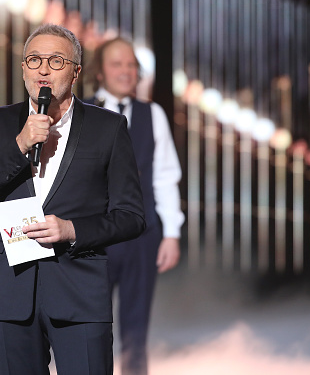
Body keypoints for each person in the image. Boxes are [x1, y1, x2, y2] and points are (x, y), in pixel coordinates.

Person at [0, 24, 146, 374]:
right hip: (10, 293)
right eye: (34, 60)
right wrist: (19, 145)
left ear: (76, 71)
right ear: (23, 69)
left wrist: (72, 230)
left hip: (79, 290)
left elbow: (131, 215)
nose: (43, 69)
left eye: (56, 61)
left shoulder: (108, 127)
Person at [84, 37, 185, 375]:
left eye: (132, 65)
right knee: (90, 324)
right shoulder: (78, 112)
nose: (127, 71)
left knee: (136, 327)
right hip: (92, 236)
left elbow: (165, 176)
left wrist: (171, 233)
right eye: (118, 64)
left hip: (142, 236)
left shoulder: (151, 113)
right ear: (100, 71)